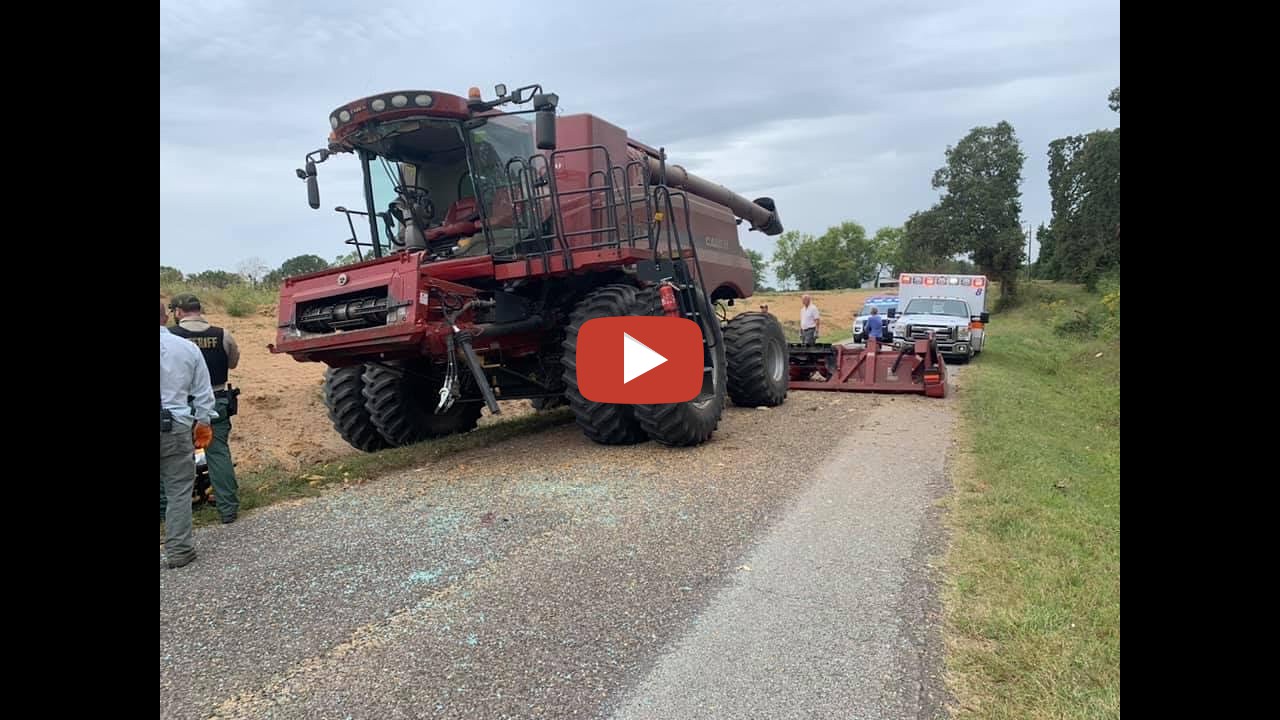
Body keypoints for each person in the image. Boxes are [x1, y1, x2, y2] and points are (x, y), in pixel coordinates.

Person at [167, 293, 241, 523]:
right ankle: (228, 509)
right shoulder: (222, 334)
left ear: (178, 312)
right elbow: (233, 362)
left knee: (172, 458)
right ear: (199, 309)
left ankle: (169, 512)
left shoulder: (170, 336)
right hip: (215, 401)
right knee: (218, 454)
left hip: (178, 406)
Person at [160, 301, 216, 569]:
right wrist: (202, 423)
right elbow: (204, 394)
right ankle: (180, 551)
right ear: (166, 317)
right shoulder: (186, 348)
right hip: (175, 425)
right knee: (178, 491)